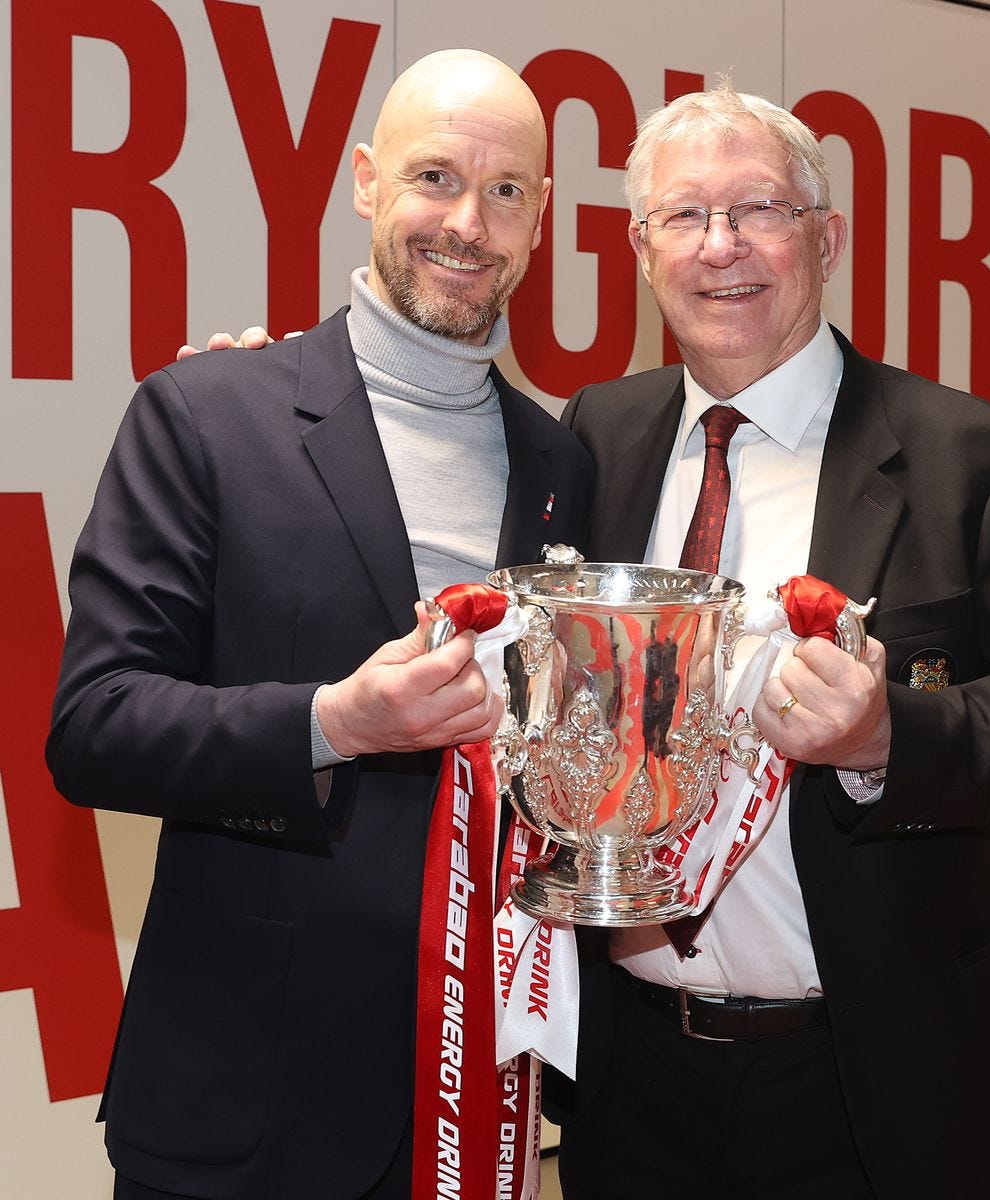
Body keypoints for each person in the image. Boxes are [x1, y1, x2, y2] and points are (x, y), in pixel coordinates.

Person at [547, 82, 990, 1200]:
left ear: (830, 238)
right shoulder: (596, 436)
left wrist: (881, 738)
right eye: (685, 217)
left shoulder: (972, 456)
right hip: (632, 1077)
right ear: (641, 246)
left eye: (761, 209)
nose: (723, 248)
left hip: (878, 1087)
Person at [46, 49, 591, 1200]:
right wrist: (333, 722)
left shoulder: (561, 463)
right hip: (247, 1110)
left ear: (541, 220)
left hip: (477, 1104)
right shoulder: (205, 414)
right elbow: (93, 725)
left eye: (506, 193)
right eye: (435, 176)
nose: (467, 223)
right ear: (363, 182)